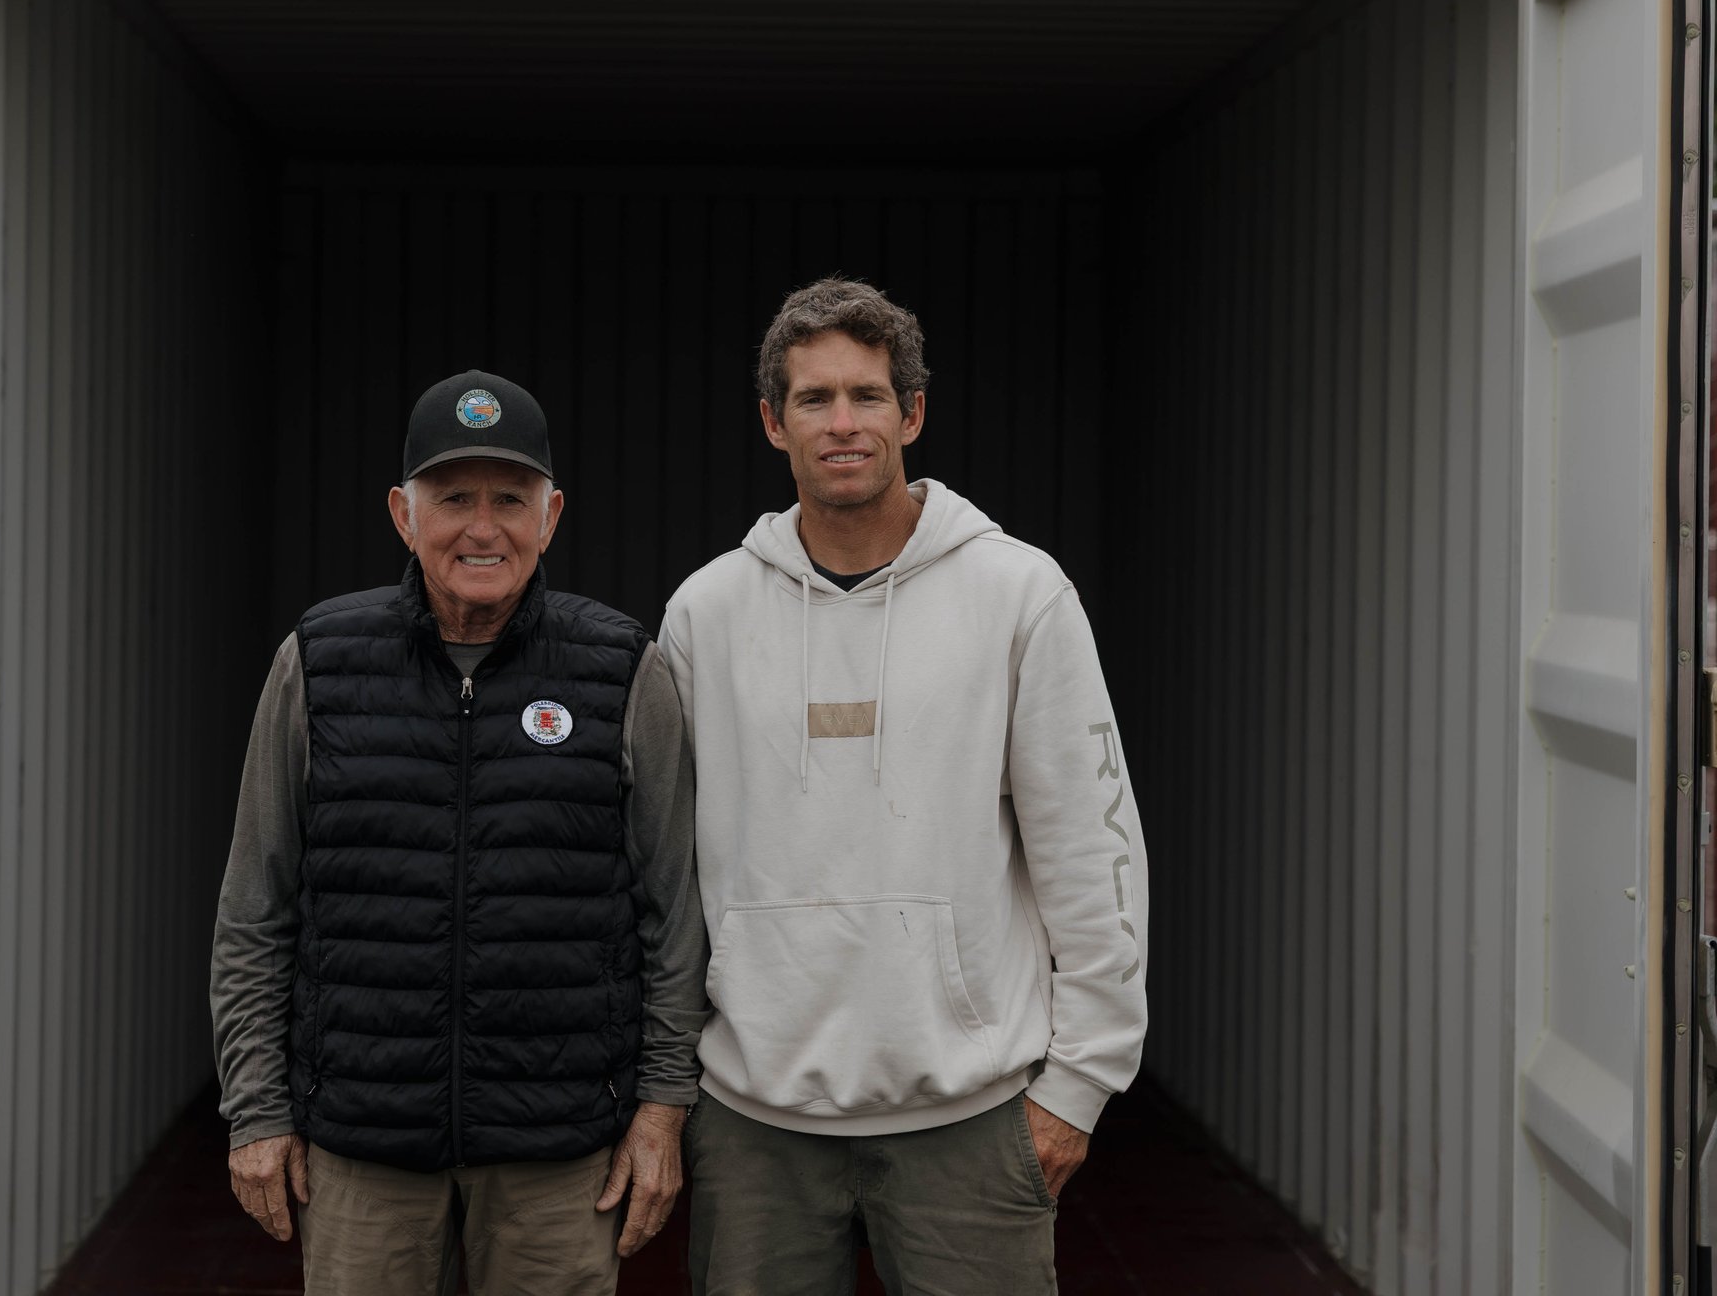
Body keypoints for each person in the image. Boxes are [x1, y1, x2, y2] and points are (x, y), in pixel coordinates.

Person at [660, 279, 1148, 1296]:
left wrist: (1079, 1086)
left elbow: (1092, 850)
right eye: (814, 398)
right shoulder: (705, 612)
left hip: (970, 1122)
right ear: (771, 422)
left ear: (913, 413)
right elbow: (657, 874)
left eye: (869, 395)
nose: (843, 422)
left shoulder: (1019, 593)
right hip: (757, 1129)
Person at [210, 369, 707, 1296]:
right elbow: (254, 912)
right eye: (453, 499)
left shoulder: (622, 669)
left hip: (561, 1162)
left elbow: (676, 918)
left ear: (552, 515)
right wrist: (256, 1111)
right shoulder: (317, 662)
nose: (484, 527)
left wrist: (661, 1112)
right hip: (361, 1152)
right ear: (404, 513)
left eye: (510, 499)